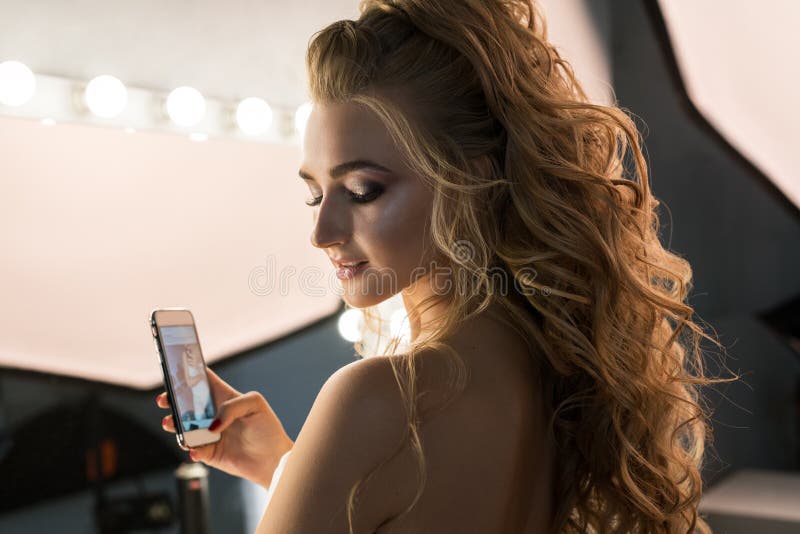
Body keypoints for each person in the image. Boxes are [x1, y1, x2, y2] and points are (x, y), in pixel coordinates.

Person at [157, 1, 737, 532]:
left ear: (471, 180)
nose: (322, 233)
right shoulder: (550, 369)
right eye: (316, 194)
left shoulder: (378, 401)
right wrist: (288, 466)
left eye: (362, 190)